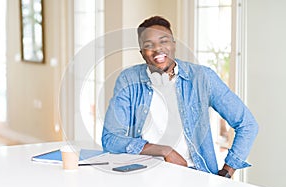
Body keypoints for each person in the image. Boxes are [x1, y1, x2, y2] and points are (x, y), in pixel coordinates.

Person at [101, 16, 258, 177]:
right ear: (142, 53)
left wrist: (227, 171)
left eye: (164, 41)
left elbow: (247, 124)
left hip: (194, 175)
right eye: (149, 45)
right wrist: (164, 151)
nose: (158, 49)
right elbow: (110, 139)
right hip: (144, 174)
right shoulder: (128, 80)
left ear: (174, 45)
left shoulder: (203, 77)